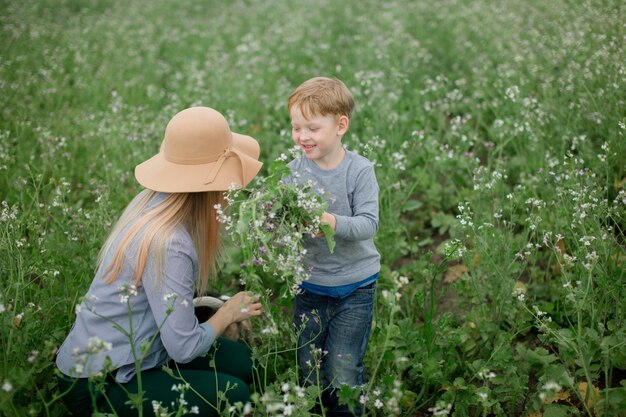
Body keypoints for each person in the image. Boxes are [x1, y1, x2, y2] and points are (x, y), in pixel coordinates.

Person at [55, 106, 264, 416]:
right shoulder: (169, 243)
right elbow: (184, 347)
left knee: (247, 365)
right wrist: (227, 313)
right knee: (235, 395)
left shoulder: (154, 201)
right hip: (101, 383)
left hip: (143, 352)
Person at [287, 77, 381, 416]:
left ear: (341, 125)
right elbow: (285, 224)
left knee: (342, 369)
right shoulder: (292, 173)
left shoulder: (359, 170)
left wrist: (329, 221)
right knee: (308, 364)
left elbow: (369, 224)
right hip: (310, 287)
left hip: (355, 287)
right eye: (296, 127)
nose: (302, 136)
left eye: (312, 127)